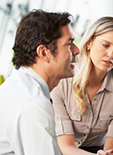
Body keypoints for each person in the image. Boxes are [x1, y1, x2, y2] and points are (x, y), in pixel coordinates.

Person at [51, 16, 113, 155]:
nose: (111, 54)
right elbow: (66, 147)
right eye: (105, 45)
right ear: (89, 43)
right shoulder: (62, 79)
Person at [0, 9, 79, 154]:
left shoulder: (16, 87)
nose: (76, 50)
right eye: (69, 44)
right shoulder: (33, 103)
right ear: (44, 53)